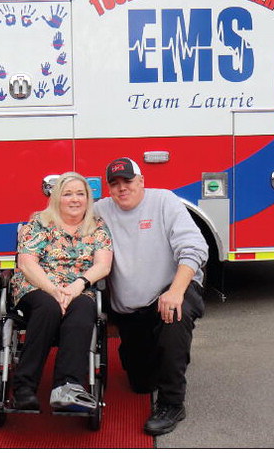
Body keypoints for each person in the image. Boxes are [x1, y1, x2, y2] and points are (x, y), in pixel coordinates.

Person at [93, 157, 209, 436]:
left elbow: (195, 247)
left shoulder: (164, 201)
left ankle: (172, 403)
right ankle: (156, 357)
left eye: (128, 181)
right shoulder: (99, 210)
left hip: (170, 290)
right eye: (115, 183)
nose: (122, 188)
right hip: (130, 309)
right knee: (141, 383)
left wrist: (176, 291)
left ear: (142, 180)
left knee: (174, 322)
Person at [10, 171, 113, 412]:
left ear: (88, 198)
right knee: (48, 307)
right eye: (68, 194)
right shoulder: (39, 223)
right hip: (37, 285)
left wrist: (77, 286)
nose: (75, 199)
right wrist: (54, 290)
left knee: (85, 309)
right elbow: (27, 263)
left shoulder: (97, 227)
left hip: (78, 287)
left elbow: (103, 265)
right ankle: (24, 387)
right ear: (57, 198)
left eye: (80, 194)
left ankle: (67, 386)